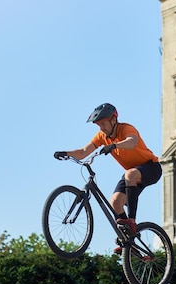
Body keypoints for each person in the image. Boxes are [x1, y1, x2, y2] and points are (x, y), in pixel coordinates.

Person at [54, 103, 162, 249]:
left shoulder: (126, 128)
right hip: (133, 174)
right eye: (98, 125)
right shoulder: (102, 136)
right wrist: (66, 153)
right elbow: (83, 151)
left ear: (113, 120)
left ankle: (131, 221)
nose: (101, 128)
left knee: (129, 174)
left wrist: (115, 145)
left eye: (103, 123)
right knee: (115, 202)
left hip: (151, 168)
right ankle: (128, 239)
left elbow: (132, 142)